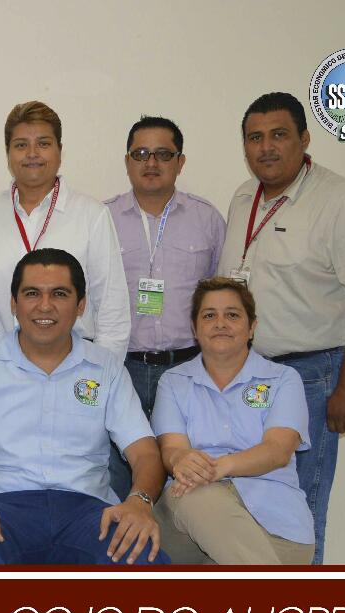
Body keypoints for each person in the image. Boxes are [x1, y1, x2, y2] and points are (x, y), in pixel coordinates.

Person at [218, 91, 345, 563]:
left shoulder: (339, 200)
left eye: (278, 135)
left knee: (302, 508)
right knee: (249, 505)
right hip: (247, 377)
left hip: (312, 376)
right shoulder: (243, 197)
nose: (266, 147)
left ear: (304, 139)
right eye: (255, 137)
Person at [0, 249, 168, 566]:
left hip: (89, 514)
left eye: (59, 294)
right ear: (13, 303)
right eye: (32, 293)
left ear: (80, 305)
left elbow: (145, 454)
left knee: (144, 562)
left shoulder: (106, 367)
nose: (44, 306)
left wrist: (140, 502)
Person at [104, 116, 226, 499]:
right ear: (127, 162)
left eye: (163, 154)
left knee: (187, 484)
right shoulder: (101, 218)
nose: (151, 163)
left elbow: (221, 297)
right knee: (118, 480)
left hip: (187, 368)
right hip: (121, 367)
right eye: (141, 154)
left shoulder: (207, 219)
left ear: (180, 161)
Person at [151, 278, 313, 564]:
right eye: (209, 315)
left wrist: (219, 467)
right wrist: (181, 460)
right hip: (188, 517)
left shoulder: (283, 379)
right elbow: (173, 450)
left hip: (276, 528)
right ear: (194, 328)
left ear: (252, 327)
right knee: (200, 498)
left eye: (233, 315)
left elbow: (277, 450)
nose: (220, 323)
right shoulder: (173, 382)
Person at [0, 101, 129, 358]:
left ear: (59, 151)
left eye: (43, 144)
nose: (32, 153)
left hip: (73, 362)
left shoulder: (92, 215)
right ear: (8, 153)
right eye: (21, 145)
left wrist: (101, 374)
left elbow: (112, 308)